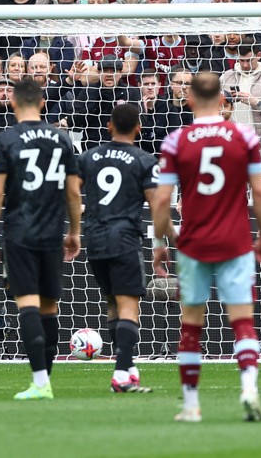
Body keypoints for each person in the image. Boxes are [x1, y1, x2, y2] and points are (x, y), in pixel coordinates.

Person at [152, 71, 261, 423]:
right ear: (223, 100)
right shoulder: (244, 137)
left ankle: (191, 405)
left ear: (189, 99)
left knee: (191, 324)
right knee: (242, 321)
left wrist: (162, 241)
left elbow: (161, 200)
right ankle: (249, 387)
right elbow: (260, 192)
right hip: (235, 240)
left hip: (193, 243)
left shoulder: (178, 141)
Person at [0, 77, 81, 400]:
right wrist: (75, 231)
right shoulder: (61, 138)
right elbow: (72, 191)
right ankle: (45, 380)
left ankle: (40, 382)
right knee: (49, 306)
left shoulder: (7, 137)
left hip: (20, 230)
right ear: (43, 104)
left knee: (26, 302)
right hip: (53, 231)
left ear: (13, 102)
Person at [76, 103, 158, 394]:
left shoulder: (88, 156)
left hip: (95, 240)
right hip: (124, 239)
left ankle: (129, 366)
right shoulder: (144, 160)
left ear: (109, 125)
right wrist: (160, 245)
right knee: (128, 307)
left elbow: (70, 190)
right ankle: (121, 374)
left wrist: (75, 227)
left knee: (113, 303)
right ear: (139, 127)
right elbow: (158, 203)